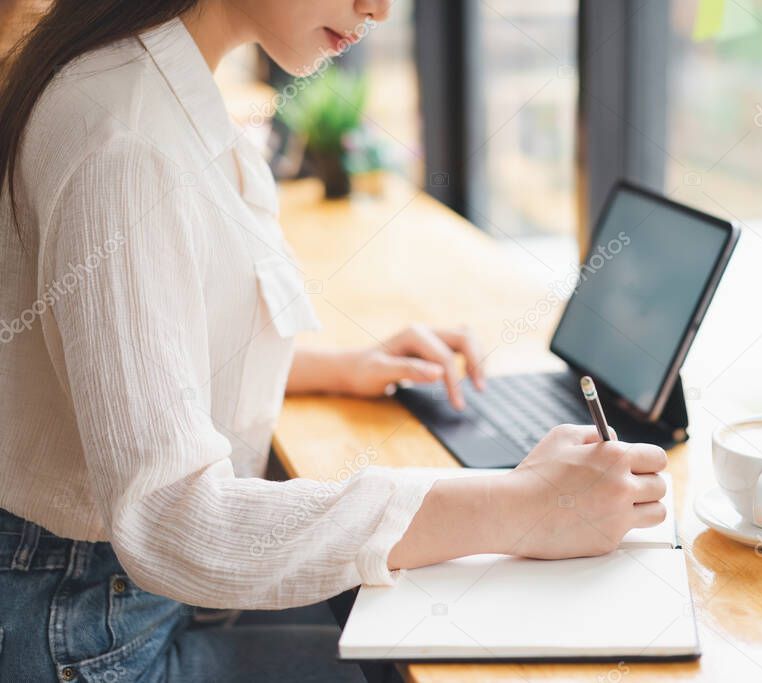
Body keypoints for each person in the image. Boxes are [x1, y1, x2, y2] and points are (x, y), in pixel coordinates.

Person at [0, 1, 668, 680]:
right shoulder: (127, 137)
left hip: (119, 593)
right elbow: (174, 519)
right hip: (89, 629)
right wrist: (520, 508)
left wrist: (338, 367)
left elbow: (122, 350)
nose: (378, 8)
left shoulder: (149, 79)